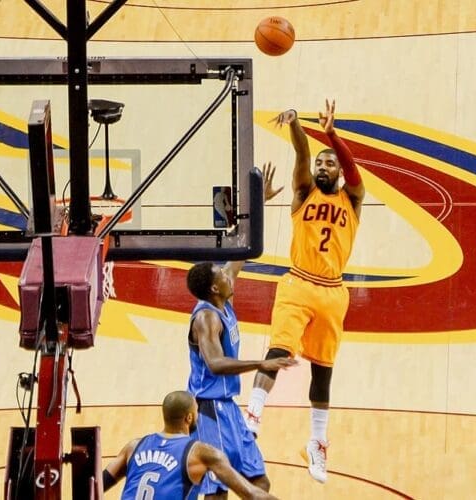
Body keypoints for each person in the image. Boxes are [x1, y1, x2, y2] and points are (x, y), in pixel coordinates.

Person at [245, 99, 365, 484]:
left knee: (323, 372)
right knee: (278, 352)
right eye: (320, 164)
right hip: (297, 283)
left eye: (329, 164)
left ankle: (316, 442)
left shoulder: (354, 198)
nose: (323, 167)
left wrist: (331, 134)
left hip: (333, 292)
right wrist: (297, 124)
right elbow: (301, 151)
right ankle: (253, 416)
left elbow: (351, 168)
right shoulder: (302, 192)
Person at [186, 163, 296, 499]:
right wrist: (259, 364)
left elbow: (244, 249)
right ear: (215, 288)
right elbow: (216, 364)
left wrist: (258, 203)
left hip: (229, 407)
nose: (227, 273)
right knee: (218, 492)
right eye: (221, 273)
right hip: (210, 409)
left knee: (259, 482)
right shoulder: (207, 318)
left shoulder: (222, 296)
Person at [102, 390, 278, 500]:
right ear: (189, 418)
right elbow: (252, 494)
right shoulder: (200, 452)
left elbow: (96, 484)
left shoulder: (134, 446)